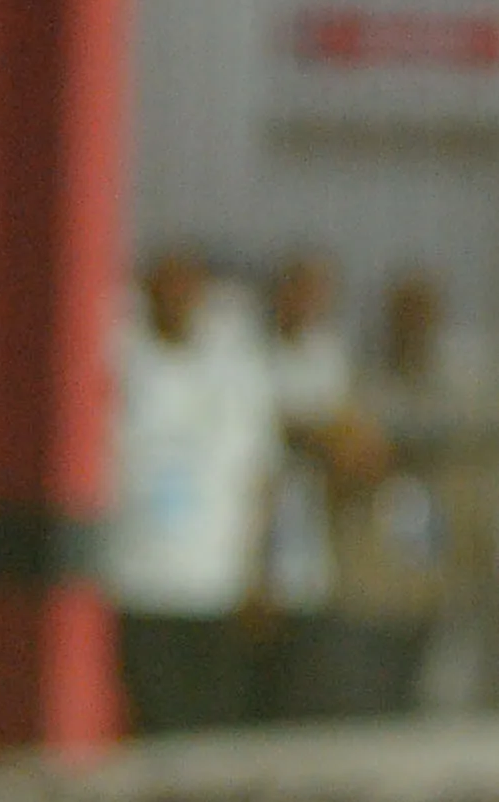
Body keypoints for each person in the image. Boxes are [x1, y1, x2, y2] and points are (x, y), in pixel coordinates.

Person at [103, 251, 278, 733]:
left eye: (187, 288)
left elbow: (259, 477)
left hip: (215, 585)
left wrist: (260, 573)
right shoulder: (119, 360)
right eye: (167, 287)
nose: (177, 299)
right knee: (153, 721)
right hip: (139, 582)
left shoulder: (236, 371)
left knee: (211, 727)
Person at [327, 272, 462, 714]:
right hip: (368, 589)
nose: (414, 329)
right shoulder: (362, 387)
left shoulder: (448, 393)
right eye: (405, 318)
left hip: (428, 588)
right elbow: (347, 463)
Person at [258, 254, 371, 718]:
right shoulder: (252, 352)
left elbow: (347, 437)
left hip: (313, 529)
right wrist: (313, 434)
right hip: (257, 522)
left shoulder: (327, 355)